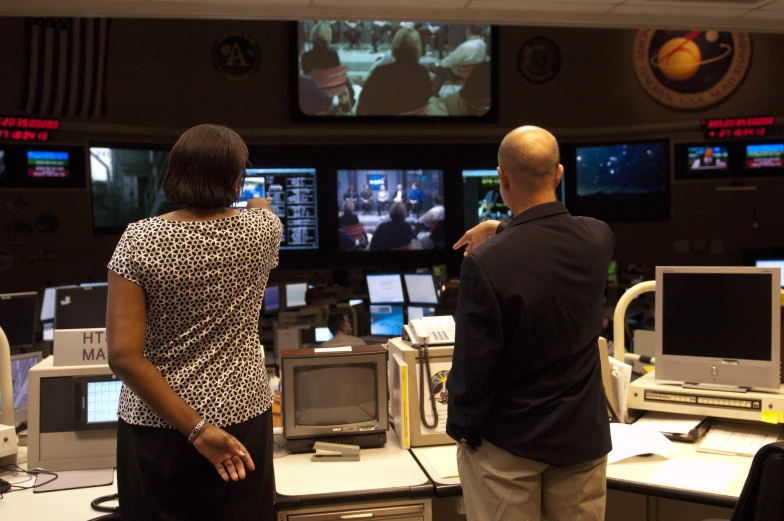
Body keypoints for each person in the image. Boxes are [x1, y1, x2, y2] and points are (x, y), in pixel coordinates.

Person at [106, 124, 282, 520]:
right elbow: (264, 210)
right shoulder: (262, 231)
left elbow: (122, 357)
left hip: (157, 425)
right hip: (244, 417)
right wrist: (256, 201)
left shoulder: (139, 240)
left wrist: (197, 430)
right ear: (235, 179)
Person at [446, 126, 614, 521]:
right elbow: (548, 236)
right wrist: (504, 228)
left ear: (502, 178)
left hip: (508, 445)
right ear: (558, 174)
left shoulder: (485, 264)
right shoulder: (597, 238)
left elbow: (473, 367)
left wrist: (464, 430)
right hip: (581, 441)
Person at [356, 27, 432, 116]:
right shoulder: (423, 73)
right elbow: (426, 100)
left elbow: (363, 105)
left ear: (395, 46)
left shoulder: (380, 73)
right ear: (418, 48)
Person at [301, 21, 354, 111]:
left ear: (312, 36)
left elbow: (307, 77)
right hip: (333, 89)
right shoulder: (333, 54)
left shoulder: (305, 56)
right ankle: (346, 106)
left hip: (314, 92)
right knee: (346, 81)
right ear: (329, 37)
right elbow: (337, 75)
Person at [432, 25, 487, 97]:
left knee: (440, 67)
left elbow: (447, 63)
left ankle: (433, 94)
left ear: (468, 31)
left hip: (460, 74)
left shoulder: (466, 46)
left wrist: (441, 61)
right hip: (475, 74)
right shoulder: (483, 44)